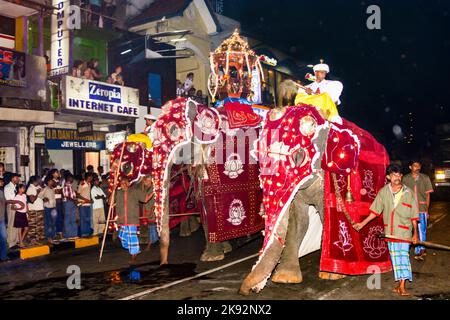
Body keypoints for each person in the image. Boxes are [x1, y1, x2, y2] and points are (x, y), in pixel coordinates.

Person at [353, 164, 419, 296]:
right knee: (395, 259)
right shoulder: (383, 192)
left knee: (403, 258)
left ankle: (402, 286)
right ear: (388, 177)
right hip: (390, 233)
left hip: (404, 233)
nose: (398, 177)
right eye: (394, 175)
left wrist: (415, 234)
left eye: (399, 175)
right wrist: (362, 224)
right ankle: (399, 283)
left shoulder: (409, 193)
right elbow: (375, 212)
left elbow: (414, 216)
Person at [113, 176, 153, 264]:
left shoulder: (134, 191)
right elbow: (110, 202)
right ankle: (134, 249)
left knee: (132, 238)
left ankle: (134, 254)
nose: (122, 184)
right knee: (122, 237)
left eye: (124, 183)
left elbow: (145, 199)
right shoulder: (118, 193)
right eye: (121, 183)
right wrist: (112, 191)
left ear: (128, 183)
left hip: (132, 219)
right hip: (122, 220)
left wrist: (154, 192)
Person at [402, 160, 434, 261]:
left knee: (421, 230)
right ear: (410, 167)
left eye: (419, 166)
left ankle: (421, 249)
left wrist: (427, 211)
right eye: (415, 166)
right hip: (409, 209)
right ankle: (414, 249)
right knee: (409, 230)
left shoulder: (425, 178)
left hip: (421, 209)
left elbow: (427, 195)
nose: (417, 167)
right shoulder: (405, 179)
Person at [26, 176, 45, 245]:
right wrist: (37, 193)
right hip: (33, 210)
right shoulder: (30, 188)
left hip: (39, 209)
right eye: (39, 180)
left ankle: (36, 240)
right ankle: (32, 240)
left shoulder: (37, 187)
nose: (40, 181)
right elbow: (32, 200)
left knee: (39, 226)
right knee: (33, 226)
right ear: (35, 181)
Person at [39, 177, 57, 244]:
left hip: (53, 207)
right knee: (48, 223)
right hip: (48, 208)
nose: (52, 182)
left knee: (53, 222)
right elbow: (39, 195)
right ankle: (49, 237)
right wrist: (44, 199)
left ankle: (52, 236)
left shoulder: (52, 189)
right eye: (50, 181)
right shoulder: (45, 189)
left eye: (52, 181)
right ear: (47, 182)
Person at [5, 173, 21, 248]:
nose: (18, 179)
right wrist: (18, 202)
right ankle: (11, 243)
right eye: (17, 178)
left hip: (17, 207)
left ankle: (16, 241)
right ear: (12, 178)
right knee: (11, 224)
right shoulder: (8, 187)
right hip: (12, 207)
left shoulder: (15, 187)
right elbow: (8, 200)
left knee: (16, 224)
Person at [48, 169, 64, 240]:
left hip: (59, 201)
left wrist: (58, 191)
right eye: (56, 172)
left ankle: (59, 233)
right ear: (53, 174)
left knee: (60, 218)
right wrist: (58, 190)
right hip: (54, 202)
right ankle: (53, 234)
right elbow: (56, 191)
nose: (58, 173)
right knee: (54, 219)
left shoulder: (58, 181)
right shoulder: (51, 181)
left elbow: (61, 191)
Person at [78, 172, 94, 237]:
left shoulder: (89, 184)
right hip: (83, 204)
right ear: (87, 177)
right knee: (83, 219)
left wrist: (90, 199)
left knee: (88, 219)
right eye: (90, 177)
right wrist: (86, 200)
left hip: (88, 204)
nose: (91, 178)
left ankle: (87, 233)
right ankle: (83, 233)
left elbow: (88, 194)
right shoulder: (82, 183)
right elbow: (78, 194)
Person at [62, 174, 78, 240]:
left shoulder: (70, 186)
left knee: (72, 219)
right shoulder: (66, 186)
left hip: (71, 202)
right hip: (68, 203)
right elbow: (67, 196)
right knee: (68, 219)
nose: (73, 180)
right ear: (69, 179)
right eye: (72, 178)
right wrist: (74, 200)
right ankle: (68, 234)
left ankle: (73, 234)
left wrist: (75, 200)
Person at [0, 178, 9, 261]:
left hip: (1, 219)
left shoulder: (1, 192)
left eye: (3, 181)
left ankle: (3, 256)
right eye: (1, 181)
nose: (2, 182)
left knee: (3, 238)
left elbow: (4, 203)